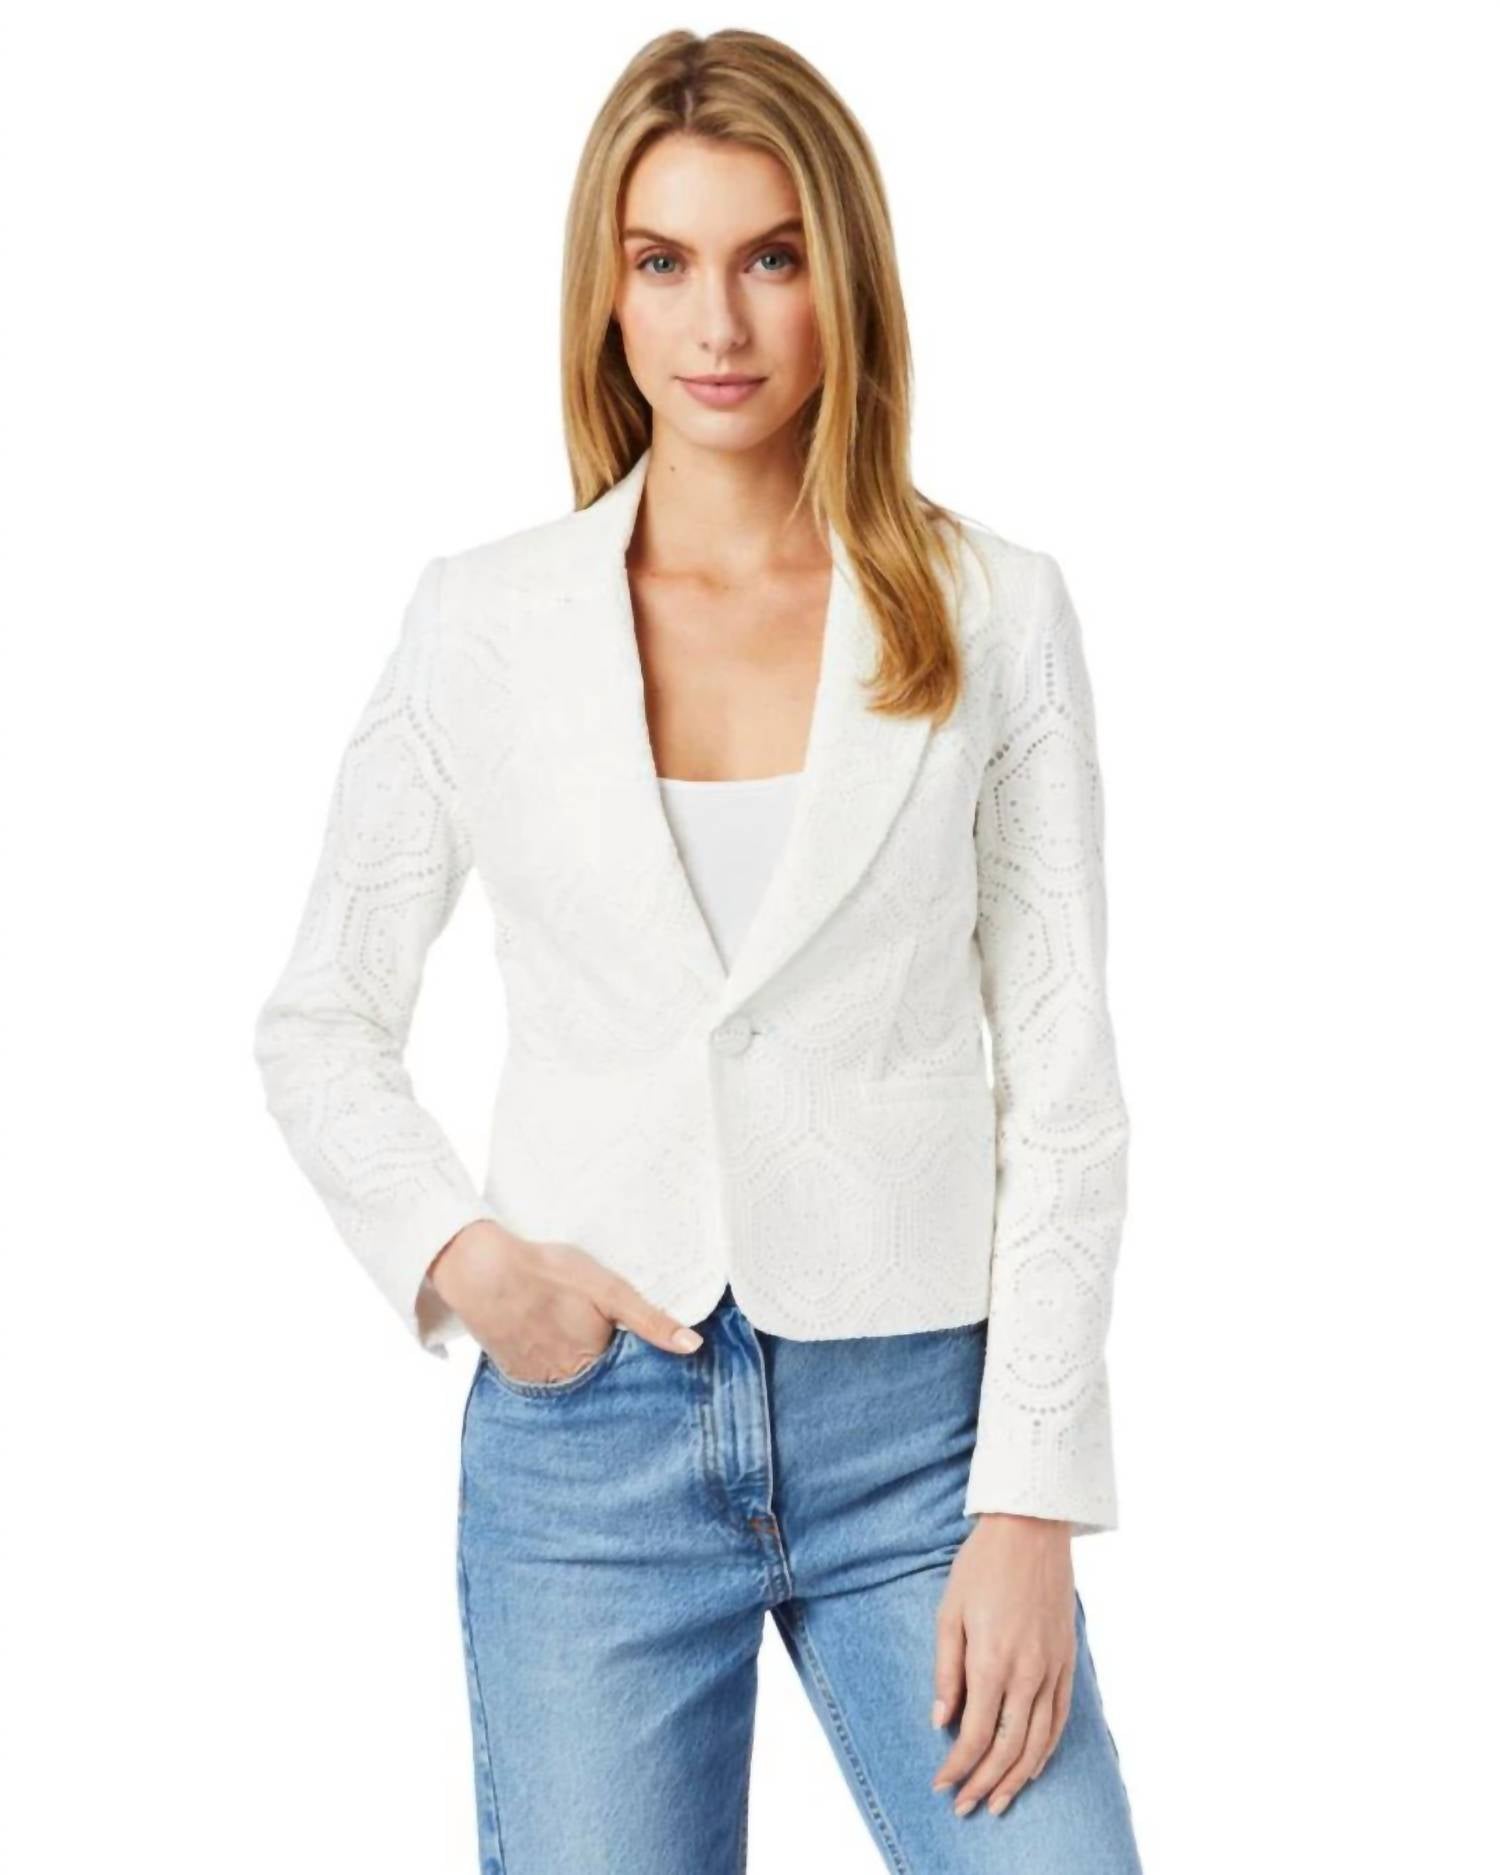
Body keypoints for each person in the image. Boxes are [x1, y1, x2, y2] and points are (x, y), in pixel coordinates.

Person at [252, 27, 1143, 1874]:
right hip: (590, 1455)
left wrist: (1034, 1501)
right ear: (607, 289)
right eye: (663, 260)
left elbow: (1062, 1081)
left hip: (920, 1439)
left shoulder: (995, 612)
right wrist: (464, 1260)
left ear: (845, 276)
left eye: (771, 256)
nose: (716, 321)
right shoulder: (485, 623)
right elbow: (321, 1015)